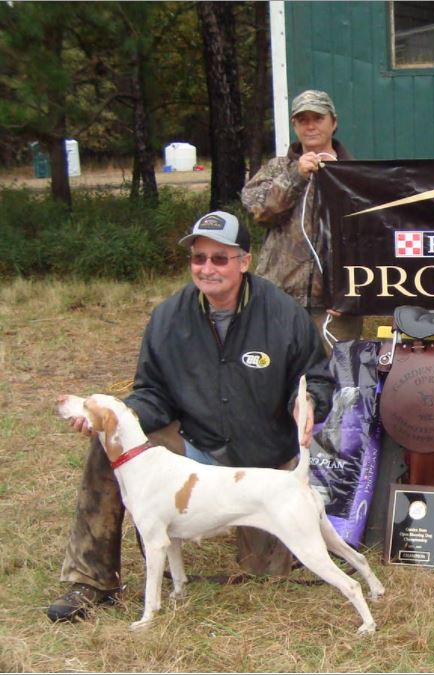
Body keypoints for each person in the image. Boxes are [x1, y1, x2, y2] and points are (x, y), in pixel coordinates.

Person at [47, 210, 335, 623]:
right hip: (193, 446)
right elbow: (152, 392)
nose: (207, 268)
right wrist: (120, 420)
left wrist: (307, 402)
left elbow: (318, 378)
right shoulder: (168, 317)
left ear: (245, 261)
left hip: (261, 461)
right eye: (199, 258)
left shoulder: (284, 314)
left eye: (220, 258)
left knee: (264, 575)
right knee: (107, 450)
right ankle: (90, 580)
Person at [241, 89, 362, 349]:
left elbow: (372, 236)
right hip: (279, 299)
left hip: (334, 307)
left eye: (318, 118)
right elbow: (259, 212)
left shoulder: (357, 173)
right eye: (302, 120)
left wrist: (353, 293)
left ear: (334, 122)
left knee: (339, 371)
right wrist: (297, 176)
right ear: (294, 125)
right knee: (277, 371)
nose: (310, 126)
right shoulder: (276, 168)